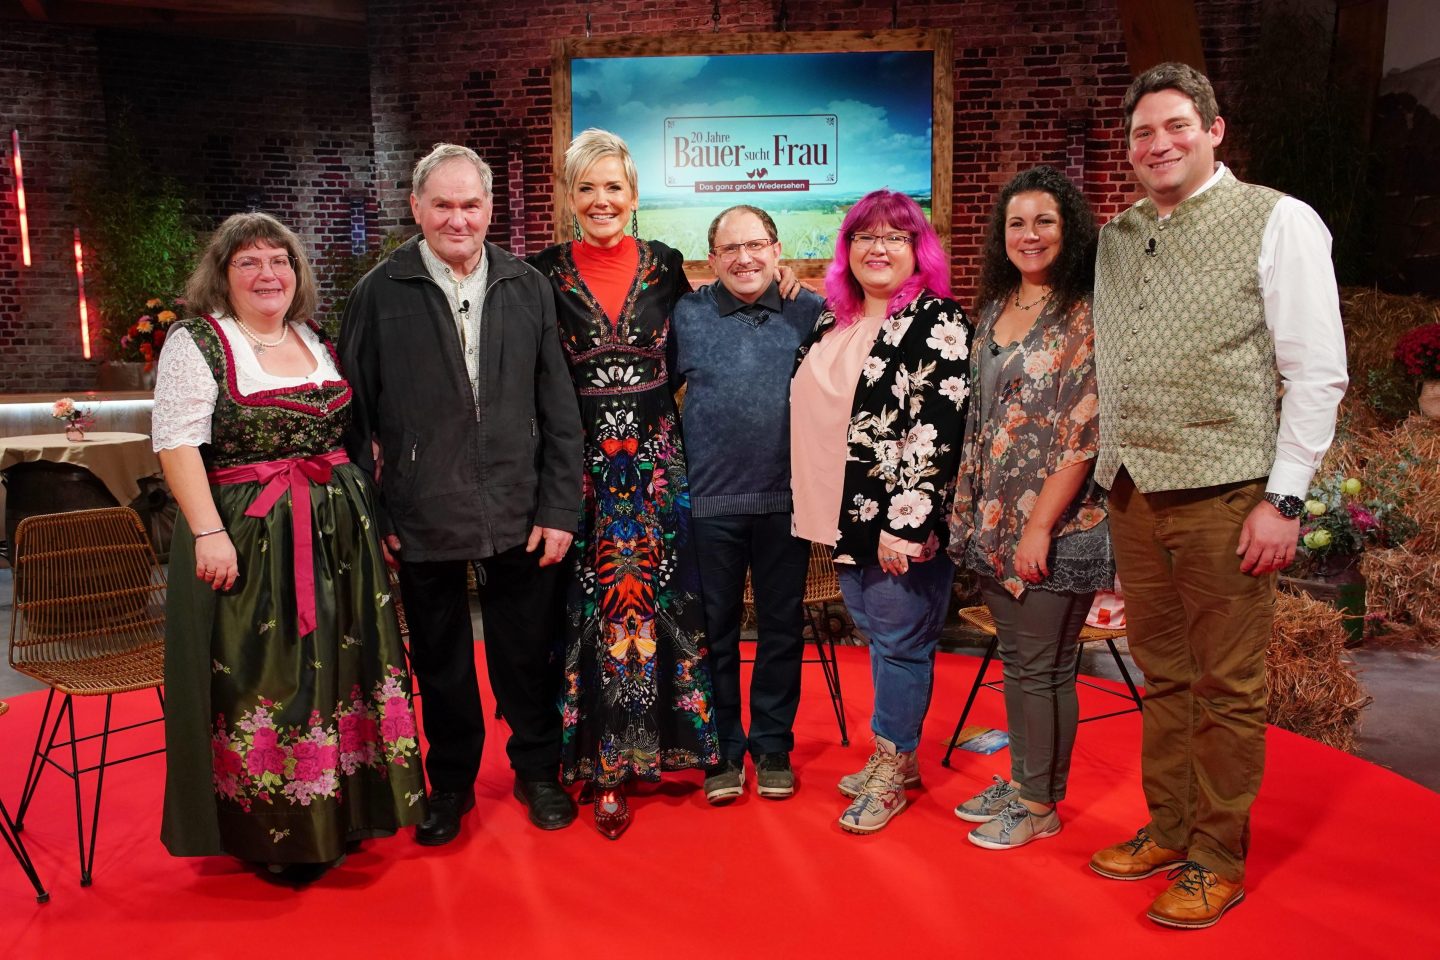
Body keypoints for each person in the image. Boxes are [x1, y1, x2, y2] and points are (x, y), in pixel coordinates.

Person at [1088, 63, 1347, 928]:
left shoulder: (1278, 219)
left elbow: (1315, 371)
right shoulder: (1120, 235)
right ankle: (1169, 826)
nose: (1157, 145)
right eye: (1142, 134)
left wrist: (1286, 498)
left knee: (1227, 685)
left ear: (1214, 129)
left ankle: (1216, 857)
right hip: (1131, 490)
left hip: (1227, 495)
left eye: (1174, 127)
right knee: (1163, 678)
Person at [155, 212, 426, 879]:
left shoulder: (312, 336)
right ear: (222, 274)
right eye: (249, 262)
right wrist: (208, 534)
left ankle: (347, 807)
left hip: (339, 529)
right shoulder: (199, 341)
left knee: (342, 665)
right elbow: (176, 443)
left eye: (279, 260)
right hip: (253, 532)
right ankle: (279, 826)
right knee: (265, 675)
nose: (267, 274)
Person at [340, 143, 584, 845]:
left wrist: (559, 507)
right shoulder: (378, 293)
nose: (457, 218)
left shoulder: (526, 286)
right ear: (415, 208)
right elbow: (351, 418)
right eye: (441, 205)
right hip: (422, 513)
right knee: (440, 661)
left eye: (470, 204)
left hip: (520, 508)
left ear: (489, 209)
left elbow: (559, 406)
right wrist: (378, 513)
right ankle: (448, 783)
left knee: (526, 653)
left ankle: (538, 772)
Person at [527, 129, 721, 839]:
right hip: (578, 471)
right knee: (591, 607)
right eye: (587, 188)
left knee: (663, 597)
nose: (601, 200)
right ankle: (602, 762)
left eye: (614, 187)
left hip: (658, 468)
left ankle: (677, 746)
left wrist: (791, 289)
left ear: (633, 196)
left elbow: (710, 332)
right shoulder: (540, 272)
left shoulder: (667, 266)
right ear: (570, 197)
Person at [791, 189, 972, 834]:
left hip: (896, 522)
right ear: (847, 251)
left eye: (896, 235)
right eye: (865, 236)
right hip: (841, 520)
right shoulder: (830, 323)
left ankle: (892, 767)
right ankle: (896, 754)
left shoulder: (937, 322)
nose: (879, 247)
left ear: (917, 248)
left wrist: (908, 524)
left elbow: (939, 430)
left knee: (899, 645)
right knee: (879, 640)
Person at [946, 166, 1113, 850]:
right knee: (1019, 663)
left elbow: (1088, 427)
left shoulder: (1086, 311)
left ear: (1068, 230)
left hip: (1058, 522)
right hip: (994, 517)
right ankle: (1022, 781)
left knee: (1046, 667)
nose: (1030, 234)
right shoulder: (995, 306)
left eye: (1045, 220)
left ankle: (1040, 806)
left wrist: (1040, 525)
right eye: (1017, 222)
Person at [669, 205, 826, 804]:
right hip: (709, 503)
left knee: (783, 627)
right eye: (730, 248)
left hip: (788, 502)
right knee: (716, 633)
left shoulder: (809, 312)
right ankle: (723, 751)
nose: (745, 258)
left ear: (777, 248)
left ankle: (773, 744)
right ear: (711, 259)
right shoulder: (688, 315)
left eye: (756, 245)